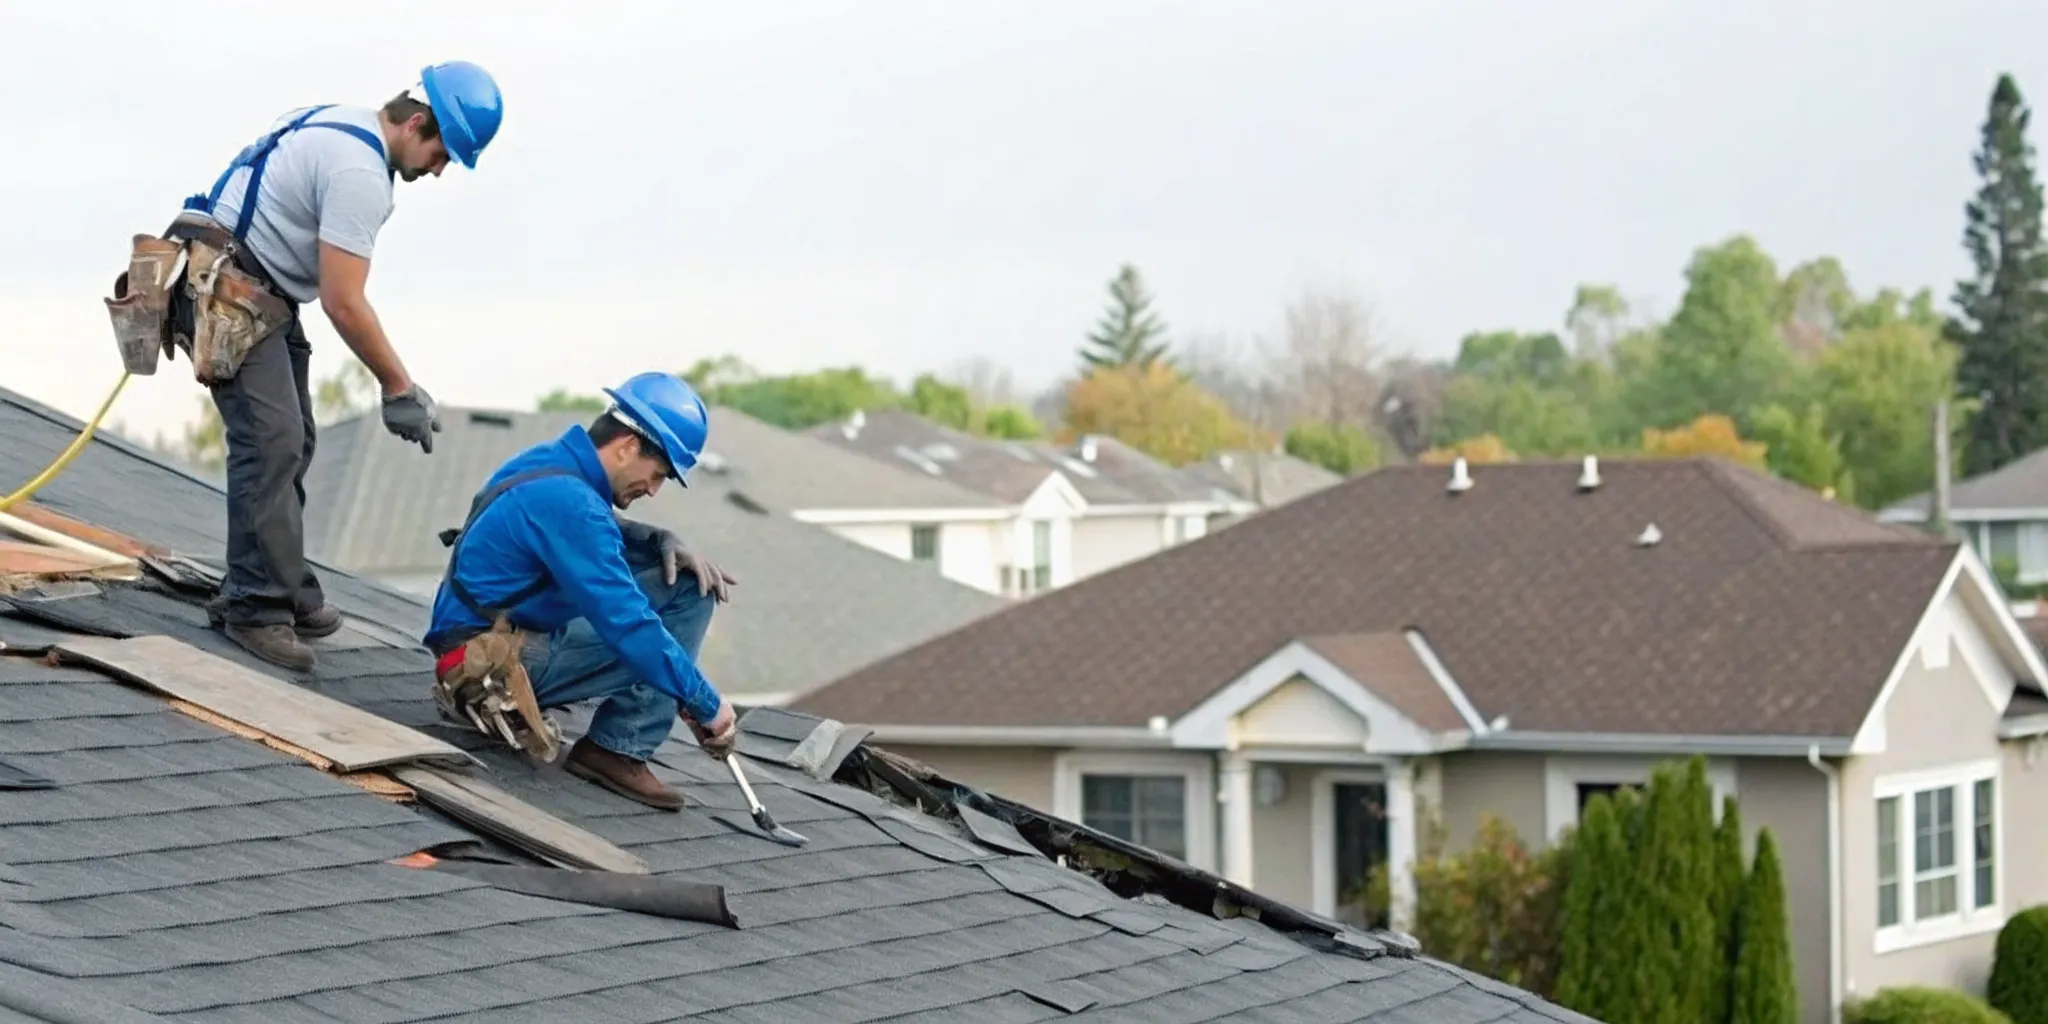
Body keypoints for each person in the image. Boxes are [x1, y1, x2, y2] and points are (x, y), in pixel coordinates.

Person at [167, 62, 504, 671]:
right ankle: (254, 606)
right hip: (230, 289)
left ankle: (284, 581)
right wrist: (399, 386)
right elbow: (344, 301)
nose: (438, 169)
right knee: (270, 441)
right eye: (442, 152)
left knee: (294, 440)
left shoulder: (337, 122)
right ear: (418, 122)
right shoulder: (360, 175)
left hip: (253, 286)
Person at [421, 372, 741, 811]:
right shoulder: (573, 503)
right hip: (489, 666)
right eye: (658, 473)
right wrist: (706, 703)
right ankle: (619, 749)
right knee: (686, 599)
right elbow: (628, 624)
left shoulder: (551, 464)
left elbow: (586, 532)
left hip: (482, 637)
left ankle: (618, 738)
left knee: (682, 579)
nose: (653, 489)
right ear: (628, 446)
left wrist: (654, 538)